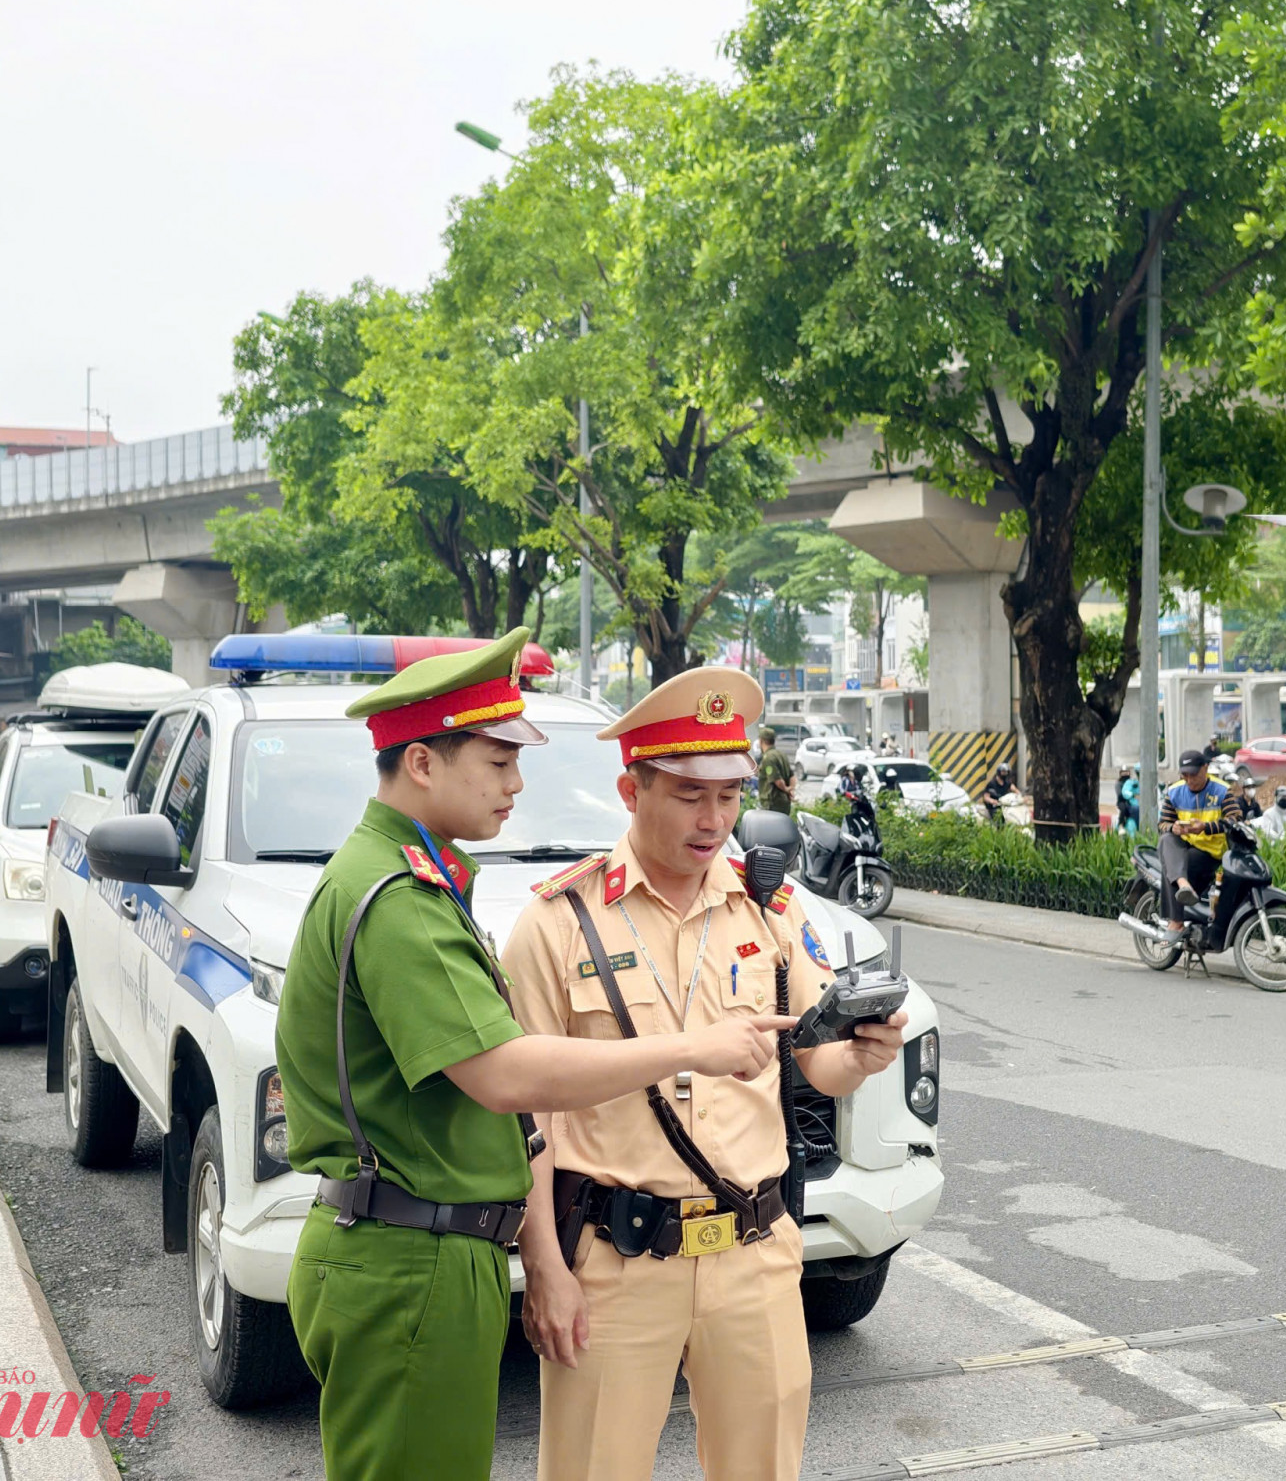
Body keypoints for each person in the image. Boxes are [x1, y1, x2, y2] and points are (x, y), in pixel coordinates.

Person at [274, 631, 797, 1481]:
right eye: (496, 760)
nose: (517, 783)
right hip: (413, 1255)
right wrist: (693, 1049)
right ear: (421, 763)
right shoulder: (399, 896)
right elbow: (508, 1075)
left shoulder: (416, 881)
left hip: (434, 1248)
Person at [505, 666, 908, 1481]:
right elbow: (521, 1117)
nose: (714, 819)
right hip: (616, 1261)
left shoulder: (771, 909)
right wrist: (543, 1265)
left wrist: (862, 1056)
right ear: (632, 788)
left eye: (729, 795)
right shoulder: (558, 921)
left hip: (754, 1253)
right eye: (690, 794)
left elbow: (815, 1065)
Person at [1157, 750, 1247, 946]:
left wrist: (1205, 827)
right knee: (1166, 840)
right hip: (1182, 847)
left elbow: (1235, 819)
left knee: (1173, 864)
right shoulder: (1174, 791)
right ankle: (1181, 897)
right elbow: (1162, 824)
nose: (1190, 780)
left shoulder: (1222, 791)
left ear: (1205, 769)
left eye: (1194, 774)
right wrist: (1173, 827)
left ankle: (1178, 915)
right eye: (1185, 775)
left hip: (1209, 853)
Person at [754, 727, 795, 813]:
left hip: (772, 804)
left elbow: (777, 780)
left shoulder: (768, 758)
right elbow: (792, 776)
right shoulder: (782, 754)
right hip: (784, 803)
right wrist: (791, 790)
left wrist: (786, 789)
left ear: (761, 741)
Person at [1115, 765, 1140, 835]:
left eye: (1126, 772)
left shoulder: (1134, 782)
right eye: (1123, 772)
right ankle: (1121, 825)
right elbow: (1121, 793)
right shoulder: (1120, 783)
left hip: (1132, 802)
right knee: (1124, 808)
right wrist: (1132, 795)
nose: (1125, 774)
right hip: (1123, 801)